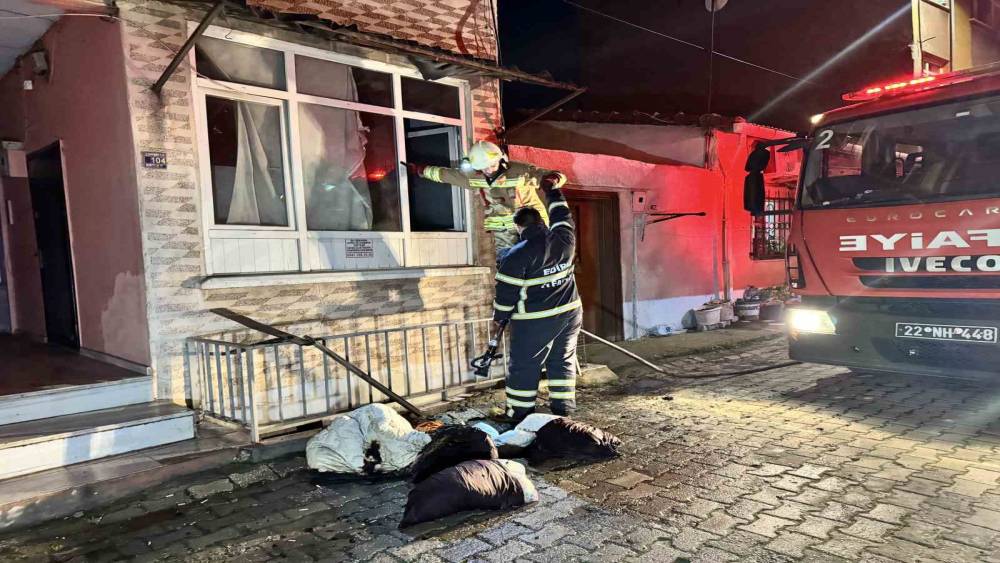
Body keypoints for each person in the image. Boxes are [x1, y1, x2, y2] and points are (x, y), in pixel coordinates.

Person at [491, 177, 582, 421]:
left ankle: (519, 413)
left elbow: (506, 294)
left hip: (534, 319)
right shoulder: (564, 238)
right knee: (562, 359)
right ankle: (563, 410)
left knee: (525, 365)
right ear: (542, 221)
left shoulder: (515, 255)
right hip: (570, 313)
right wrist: (552, 190)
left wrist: (500, 317)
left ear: (519, 228)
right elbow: (562, 214)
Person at [403, 141, 566, 253]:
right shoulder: (473, 177)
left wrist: (552, 179)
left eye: (492, 165)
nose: (489, 170)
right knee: (508, 265)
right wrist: (420, 170)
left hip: (532, 224)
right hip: (502, 229)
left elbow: (553, 175)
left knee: (541, 259)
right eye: (484, 168)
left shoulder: (520, 170)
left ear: (501, 159)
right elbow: (446, 175)